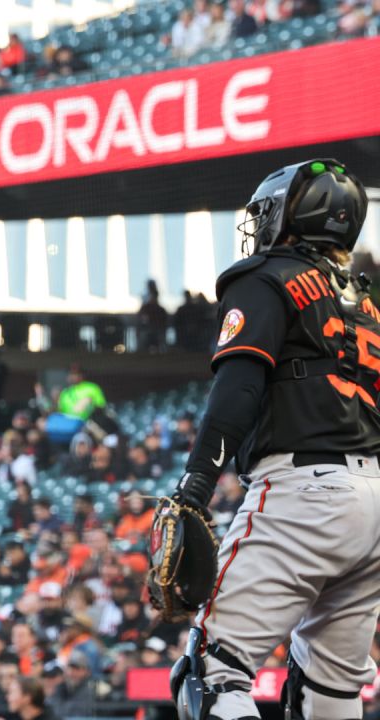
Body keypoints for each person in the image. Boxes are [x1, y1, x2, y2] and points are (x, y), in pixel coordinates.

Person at [170, 159, 376, 720]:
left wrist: (196, 486)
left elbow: (238, 388)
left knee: (211, 673)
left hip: (304, 492)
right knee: (330, 692)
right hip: (374, 504)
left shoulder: (265, 275)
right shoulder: (368, 304)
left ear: (290, 213)